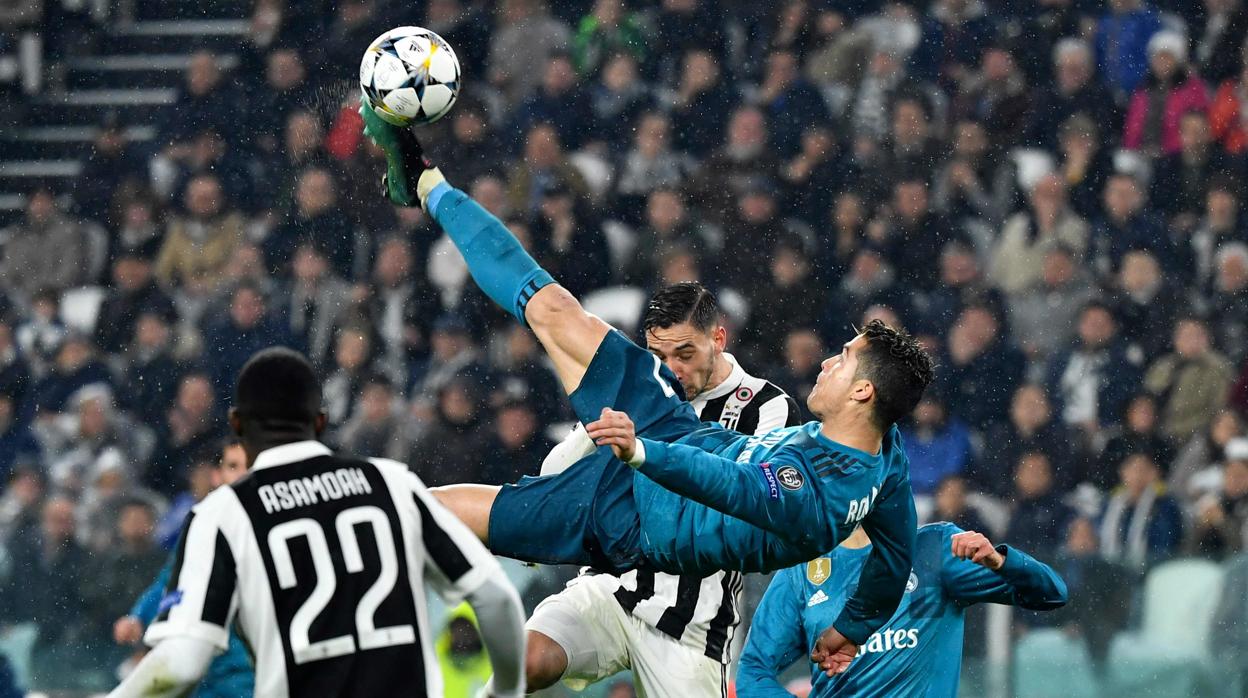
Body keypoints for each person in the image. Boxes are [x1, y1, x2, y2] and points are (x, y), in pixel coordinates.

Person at [361, 102, 933, 675]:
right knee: (555, 310)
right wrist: (850, 629)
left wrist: (641, 452)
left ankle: (353, 533)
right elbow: (895, 557)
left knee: (482, 525)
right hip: (667, 427)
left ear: (863, 393)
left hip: (639, 525)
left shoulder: (812, 496)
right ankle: (427, 184)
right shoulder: (887, 456)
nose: (829, 361)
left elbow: (731, 485)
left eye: (844, 360)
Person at [106, 348, 526, 698]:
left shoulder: (223, 514)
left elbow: (180, 665)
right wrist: (505, 692)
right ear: (320, 421)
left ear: (237, 424)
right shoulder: (392, 483)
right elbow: (496, 598)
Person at [526, 283, 802, 696]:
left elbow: (759, 508)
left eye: (685, 355)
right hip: (610, 586)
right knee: (526, 660)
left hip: (692, 622)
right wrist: (595, 428)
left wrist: (647, 453)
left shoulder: (768, 407)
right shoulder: (639, 391)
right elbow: (552, 474)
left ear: (718, 339)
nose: (672, 370)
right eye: (658, 356)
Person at [737, 523, 1068, 697]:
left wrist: (1000, 561)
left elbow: (1051, 593)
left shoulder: (933, 548)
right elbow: (753, 671)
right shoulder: (803, 570)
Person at [112, 439, 255, 698]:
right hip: (206, 672)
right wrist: (138, 616)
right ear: (216, 475)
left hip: (250, 672)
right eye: (233, 466)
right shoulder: (202, 526)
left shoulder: (271, 527)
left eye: (249, 466)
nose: (242, 475)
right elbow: (171, 583)